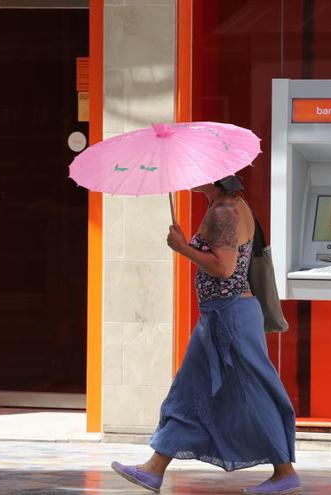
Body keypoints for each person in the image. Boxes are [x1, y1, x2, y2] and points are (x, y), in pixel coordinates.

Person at [111, 175, 300, 494]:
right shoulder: (232, 205)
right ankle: (155, 468)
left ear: (214, 179)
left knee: (254, 391)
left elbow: (224, 268)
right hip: (221, 316)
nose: (187, 179)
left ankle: (284, 472)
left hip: (229, 318)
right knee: (188, 390)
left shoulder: (224, 212)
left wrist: (182, 247)